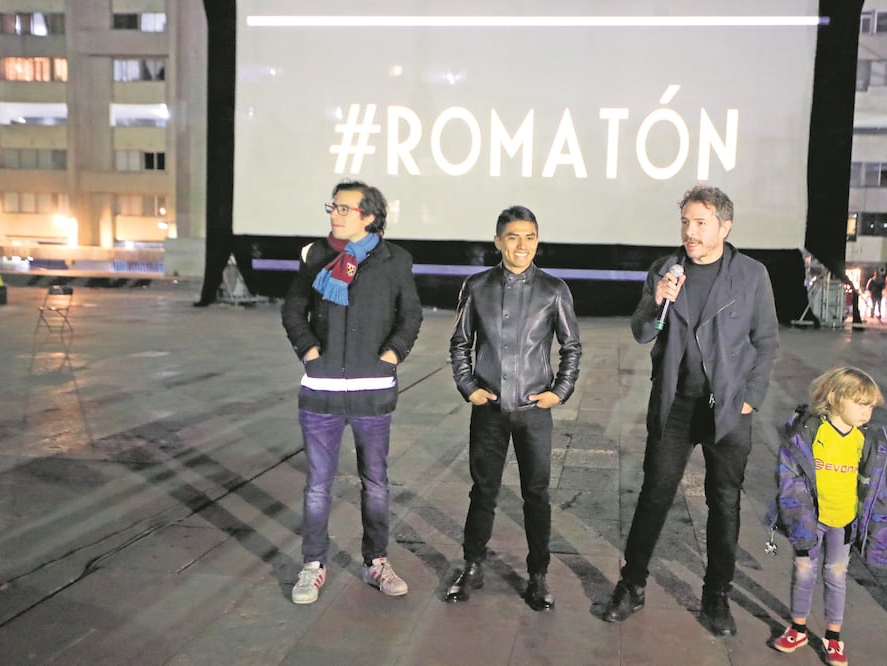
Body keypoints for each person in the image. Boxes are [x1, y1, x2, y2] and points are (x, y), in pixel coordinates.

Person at [601, 185, 779, 635]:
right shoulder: (666, 269)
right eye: (685, 222)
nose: (690, 232)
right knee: (654, 494)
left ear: (725, 225)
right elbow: (642, 330)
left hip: (728, 408)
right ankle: (632, 585)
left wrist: (750, 397)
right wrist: (658, 297)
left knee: (724, 503)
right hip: (675, 404)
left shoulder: (751, 275)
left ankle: (716, 595)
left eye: (700, 223)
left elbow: (767, 341)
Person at [281, 180, 424, 604]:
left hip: (372, 393)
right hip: (321, 393)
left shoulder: (394, 260)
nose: (335, 214)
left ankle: (376, 562)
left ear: (369, 216)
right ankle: (312, 565)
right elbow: (292, 308)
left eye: (344, 209)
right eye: (333, 207)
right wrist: (309, 351)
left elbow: (411, 315)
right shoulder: (317, 256)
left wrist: (391, 357)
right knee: (317, 486)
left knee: (375, 483)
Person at [446, 205, 582, 611]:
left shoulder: (553, 290)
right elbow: (459, 343)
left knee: (536, 495)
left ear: (537, 241)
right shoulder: (477, 286)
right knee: (482, 491)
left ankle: (538, 575)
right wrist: (468, 387)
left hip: (533, 410)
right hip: (488, 408)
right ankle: (472, 565)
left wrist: (559, 390)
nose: (522, 245)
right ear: (497, 241)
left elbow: (571, 347)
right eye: (513, 237)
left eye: (530, 237)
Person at [766, 367, 887, 666]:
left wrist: (877, 534)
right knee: (804, 571)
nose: (866, 412)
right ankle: (797, 627)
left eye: (870, 405)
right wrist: (796, 514)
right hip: (809, 518)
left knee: (836, 575)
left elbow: (875, 489)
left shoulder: (865, 440)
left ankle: (833, 637)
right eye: (860, 403)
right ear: (835, 399)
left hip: (844, 521)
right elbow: (789, 474)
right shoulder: (810, 431)